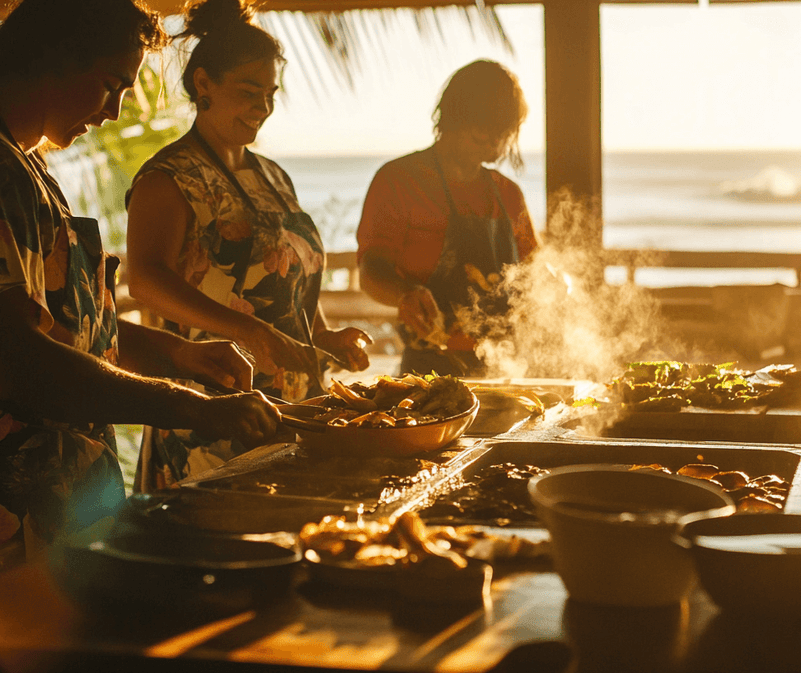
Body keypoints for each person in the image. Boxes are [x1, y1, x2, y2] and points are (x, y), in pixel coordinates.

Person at [0, 0, 279, 595]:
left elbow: (67, 329)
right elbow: (18, 363)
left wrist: (181, 355)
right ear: (54, 57)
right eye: (110, 85)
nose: (114, 111)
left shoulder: (17, 161)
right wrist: (188, 406)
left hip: (59, 499)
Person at [124, 0, 370, 490]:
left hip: (295, 410)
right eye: (249, 92)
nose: (262, 108)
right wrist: (248, 332)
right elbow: (147, 281)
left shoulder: (272, 176)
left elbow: (288, 291)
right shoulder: (168, 178)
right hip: (215, 410)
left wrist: (324, 337)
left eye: (270, 94)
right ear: (203, 85)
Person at [356, 60, 539, 377]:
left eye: (502, 131)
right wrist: (405, 294)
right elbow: (371, 268)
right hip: (429, 369)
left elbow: (532, 275)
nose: (493, 141)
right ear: (453, 117)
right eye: (482, 130)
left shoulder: (508, 194)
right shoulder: (400, 181)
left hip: (505, 366)